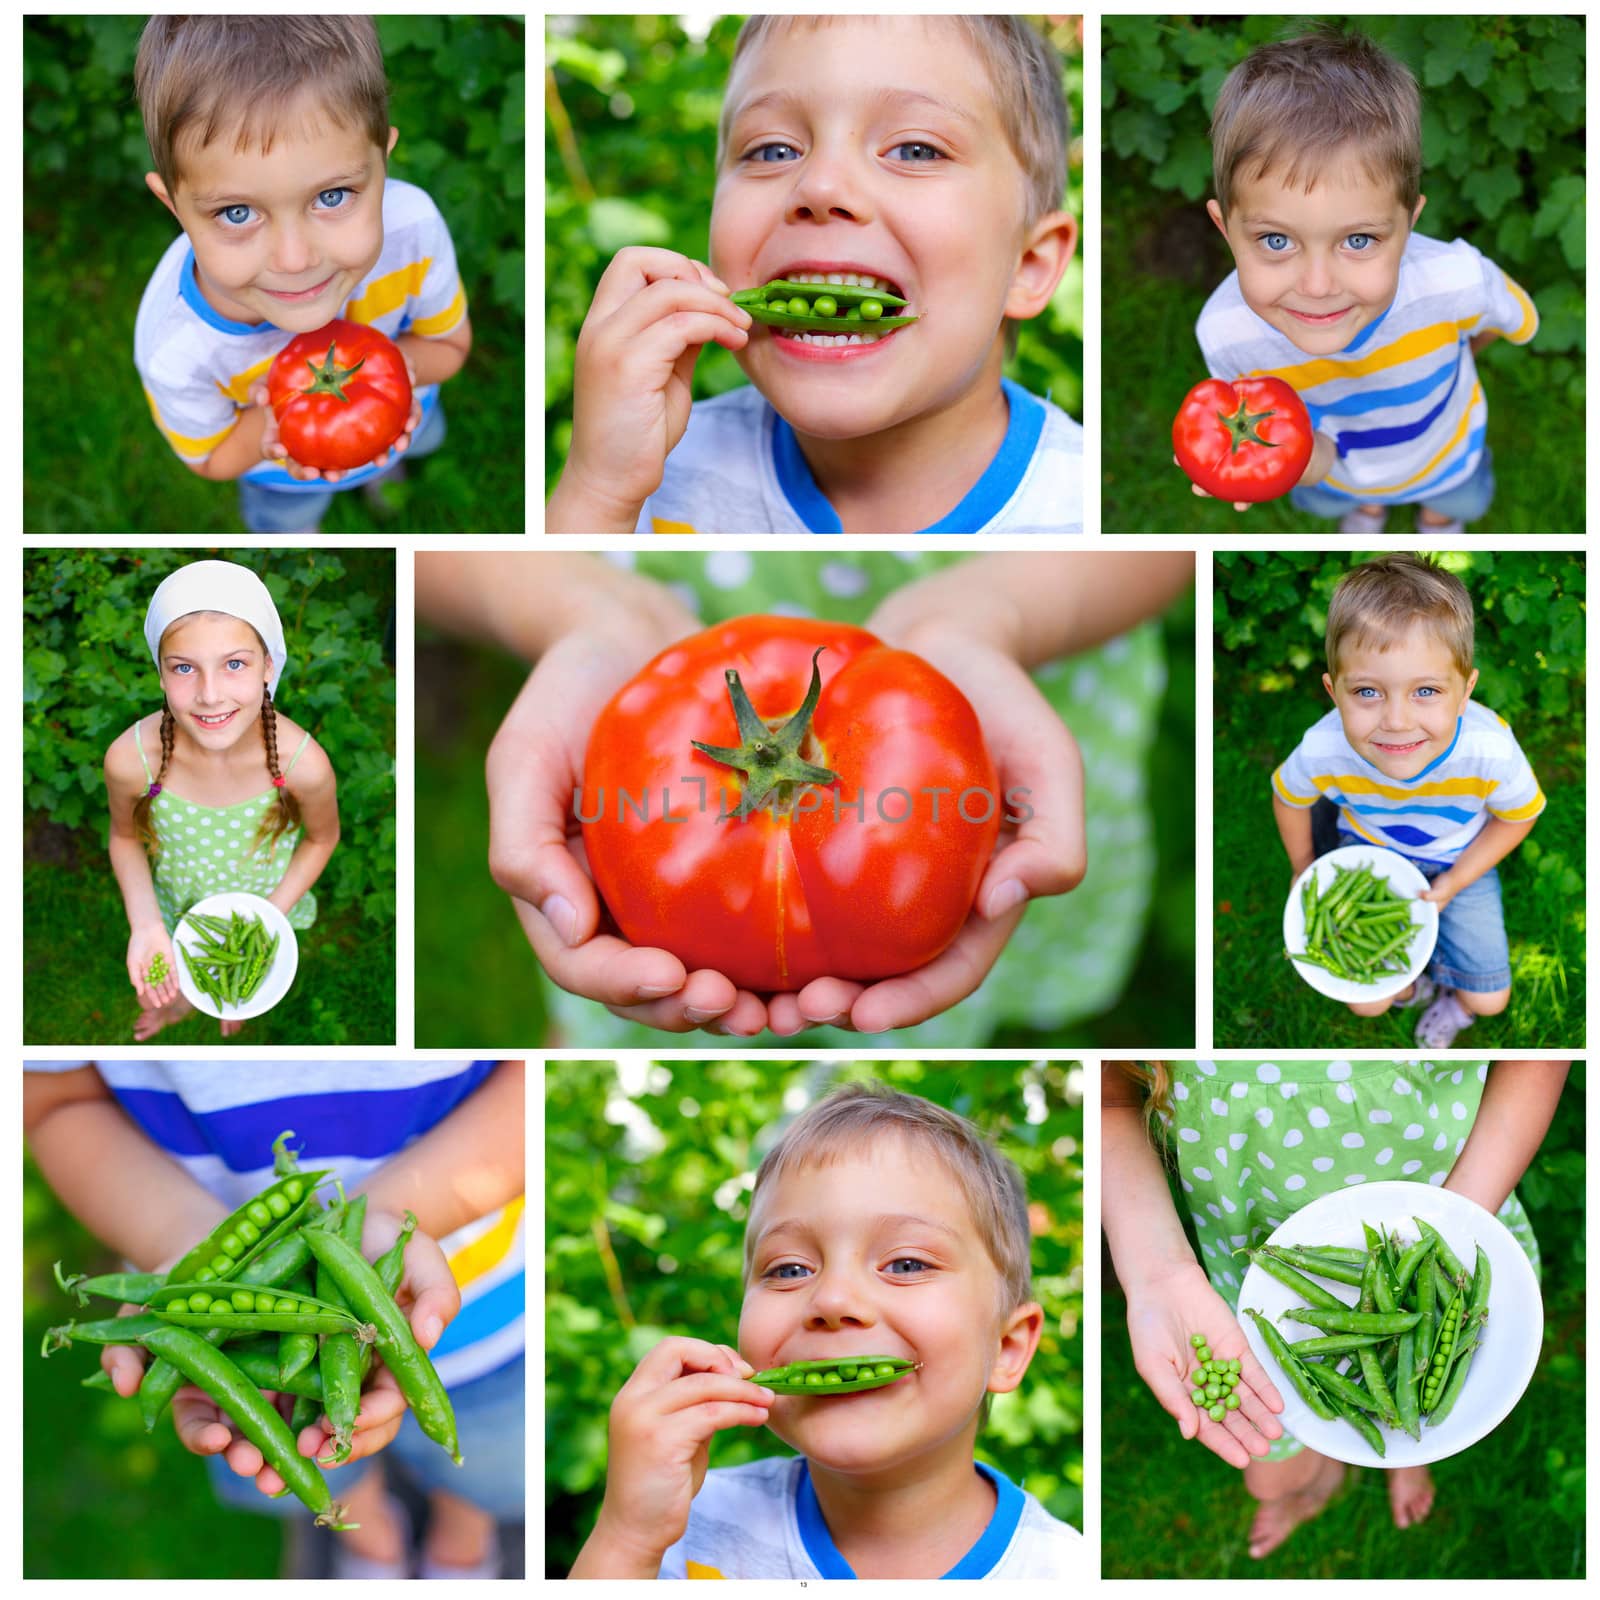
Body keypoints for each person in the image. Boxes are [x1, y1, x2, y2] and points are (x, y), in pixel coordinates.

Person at [415, 548, 1193, 1043]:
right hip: (669, 857)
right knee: (629, 988)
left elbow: (1167, 554)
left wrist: (988, 617)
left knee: (973, 919)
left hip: (1032, 645)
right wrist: (581, 611)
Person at [546, 14, 1082, 534]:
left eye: (915, 150)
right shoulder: (650, 465)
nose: (821, 187)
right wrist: (598, 490)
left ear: (1028, 266)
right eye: (772, 150)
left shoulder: (1077, 508)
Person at [24, 1059, 526, 1579]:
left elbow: (528, 1082)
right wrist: (179, 1240)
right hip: (234, 1334)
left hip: (486, 1309)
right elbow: (56, 1100)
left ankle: (461, 1541)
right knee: (298, 1458)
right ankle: (370, 1538)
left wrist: (392, 1211)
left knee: (488, 1471)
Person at [569, 1080, 1077, 1577]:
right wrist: (627, 1537)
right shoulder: (686, 1525)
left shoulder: (1063, 1574)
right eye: (789, 1269)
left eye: (905, 1264)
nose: (832, 1300)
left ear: (1007, 1348)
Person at [1102, 1061, 1565, 1563]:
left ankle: (1403, 1441)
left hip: (1449, 1211)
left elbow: (1539, 1058)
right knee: (1270, 1479)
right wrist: (1157, 1272)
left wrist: (1448, 1227)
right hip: (1259, 1255)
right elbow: (1111, 1097)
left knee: (1415, 1389)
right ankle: (1325, 1480)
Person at [1187, 25, 1537, 532]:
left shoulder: (1458, 281)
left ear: (1408, 225)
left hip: (1446, 456)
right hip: (1339, 477)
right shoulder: (1226, 336)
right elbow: (1283, 435)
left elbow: (1507, 320)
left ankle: (1437, 516)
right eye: (1276, 241)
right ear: (1226, 229)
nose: (1317, 285)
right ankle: (1368, 506)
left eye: (1358, 240)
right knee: (1336, 499)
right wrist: (1301, 464)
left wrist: (1458, 350)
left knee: (1458, 498)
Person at [132, 15, 471, 534]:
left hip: (410, 412)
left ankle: (389, 474)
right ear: (173, 206)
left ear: (383, 162)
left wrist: (383, 391)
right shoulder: (175, 348)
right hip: (285, 479)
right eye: (238, 213)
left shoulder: (413, 232)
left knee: (417, 440)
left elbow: (448, 346)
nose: (294, 259)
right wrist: (277, 429)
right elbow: (209, 458)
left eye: (331, 197)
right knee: (287, 521)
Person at [1270, 554, 1544, 1047]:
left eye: (1425, 691)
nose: (1396, 720)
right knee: (1367, 998)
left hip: (1456, 855)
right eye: (1369, 692)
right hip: (1369, 851)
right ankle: (1410, 981)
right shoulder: (1324, 747)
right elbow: (1288, 797)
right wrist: (1303, 864)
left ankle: (1451, 1000)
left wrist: (1457, 880)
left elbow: (1518, 816)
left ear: (1464, 693)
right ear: (1334, 692)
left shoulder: (1489, 750)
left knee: (1488, 1001)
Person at [104, 559, 340, 1040]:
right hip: (179, 896)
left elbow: (321, 840)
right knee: (173, 977)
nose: (210, 696)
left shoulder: (302, 765)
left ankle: (235, 993)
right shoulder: (132, 760)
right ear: (161, 674)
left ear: (267, 666)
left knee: (240, 979)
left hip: (266, 897)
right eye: (185, 668)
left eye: (235, 664)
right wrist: (147, 923)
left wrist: (268, 919)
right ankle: (178, 1007)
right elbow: (124, 838)